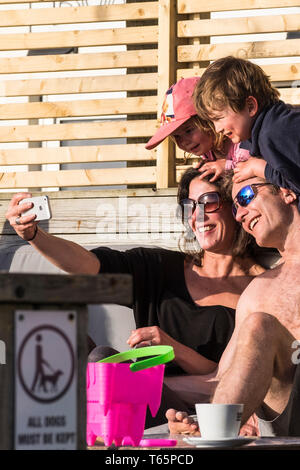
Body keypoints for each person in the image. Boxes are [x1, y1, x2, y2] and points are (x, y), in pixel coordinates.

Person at [6, 168, 264, 427]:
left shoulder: (262, 290)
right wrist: (34, 236)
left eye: (209, 202)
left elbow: (231, 379)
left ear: (235, 205)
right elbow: (88, 264)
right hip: (136, 393)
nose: (198, 215)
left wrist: (173, 350)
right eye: (190, 206)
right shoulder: (159, 267)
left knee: (102, 363)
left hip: (190, 411)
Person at [167, 175, 300, 437]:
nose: (239, 215)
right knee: (258, 324)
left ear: (286, 190)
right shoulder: (257, 293)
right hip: (289, 426)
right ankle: (213, 433)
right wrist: (197, 423)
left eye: (246, 197)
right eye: (236, 207)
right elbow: (223, 380)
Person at [193, 56, 300, 208]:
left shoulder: (275, 132)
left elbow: (295, 181)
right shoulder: (265, 130)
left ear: (250, 106)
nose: (217, 129)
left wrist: (259, 168)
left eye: (219, 118)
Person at [145, 76, 250, 181]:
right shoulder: (208, 149)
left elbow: (256, 167)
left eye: (188, 131)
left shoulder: (241, 141)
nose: (184, 142)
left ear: (209, 120)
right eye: (176, 136)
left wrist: (227, 166)